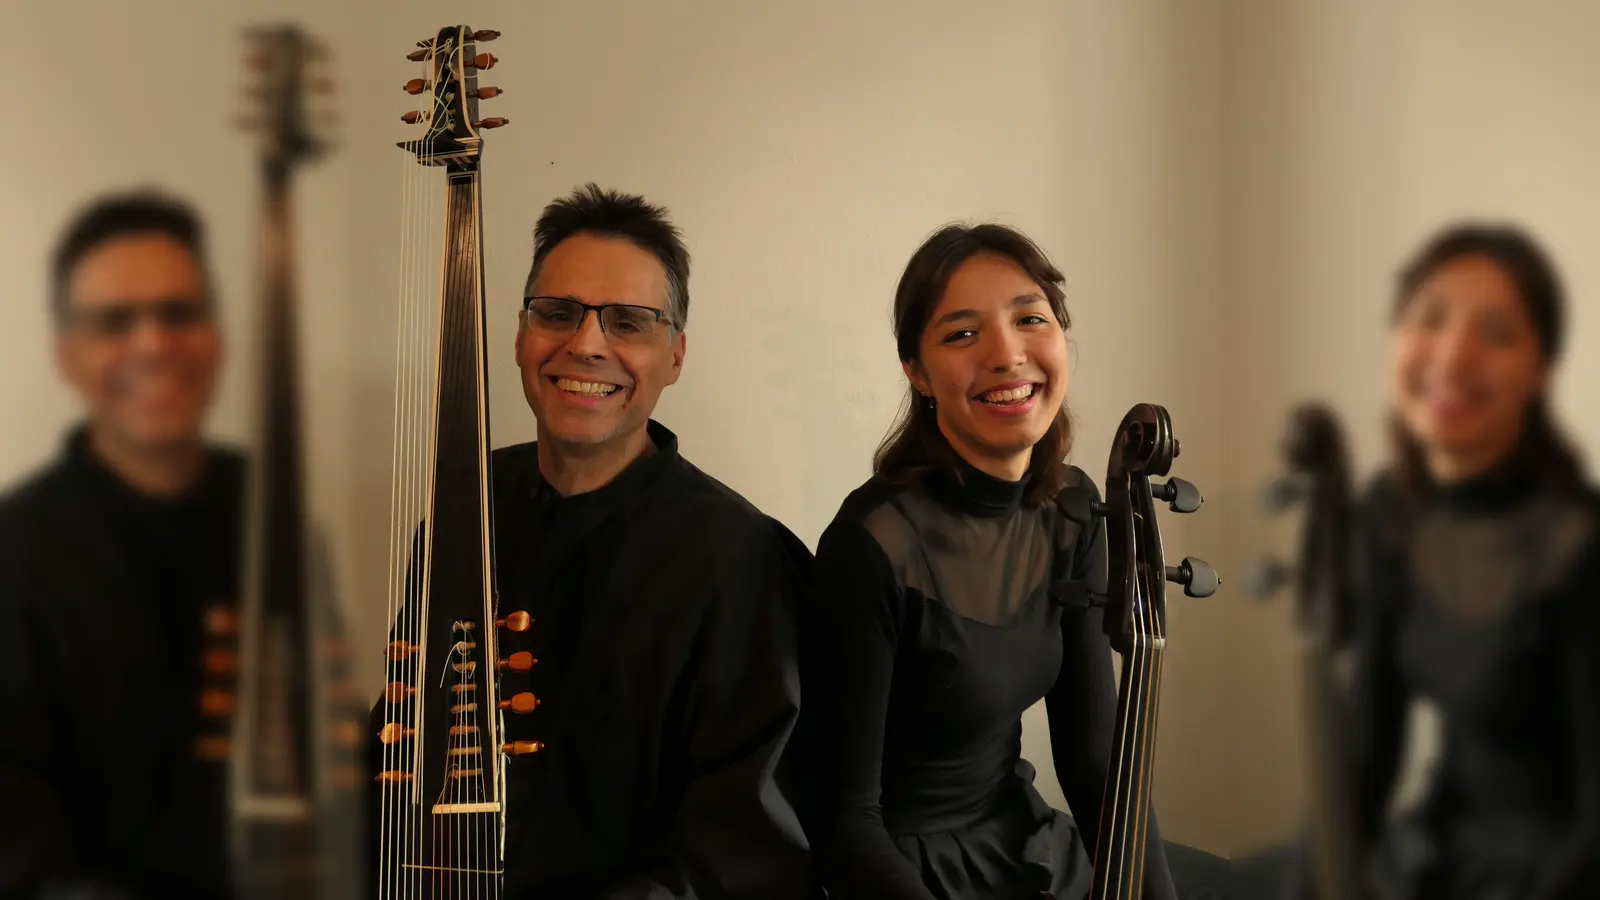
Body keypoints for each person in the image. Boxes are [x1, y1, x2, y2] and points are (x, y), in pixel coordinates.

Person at [368, 183, 815, 898]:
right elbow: (398, 746)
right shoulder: (466, 502)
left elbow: (745, 846)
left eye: (629, 323)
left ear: (675, 356)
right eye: (558, 313)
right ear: (520, 337)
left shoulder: (741, 557)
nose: (586, 343)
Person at [799, 223, 1232, 900]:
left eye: (1030, 319)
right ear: (918, 373)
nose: (1007, 354)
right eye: (962, 334)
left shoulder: (1075, 509)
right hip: (898, 872)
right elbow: (843, 818)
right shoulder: (873, 544)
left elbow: (1093, 762)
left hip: (1016, 837)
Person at [1234, 223, 1600, 900]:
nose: (1454, 356)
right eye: (1430, 318)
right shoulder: (1391, 518)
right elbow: (1369, 751)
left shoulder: (1580, 544)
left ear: (1542, 372)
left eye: (1496, 333)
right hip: (1439, 850)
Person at [0, 190, 242, 898]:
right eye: (115, 322)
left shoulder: (263, 502)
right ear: (66, 356)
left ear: (214, 335)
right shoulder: (14, 552)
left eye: (178, 313)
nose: (153, 343)